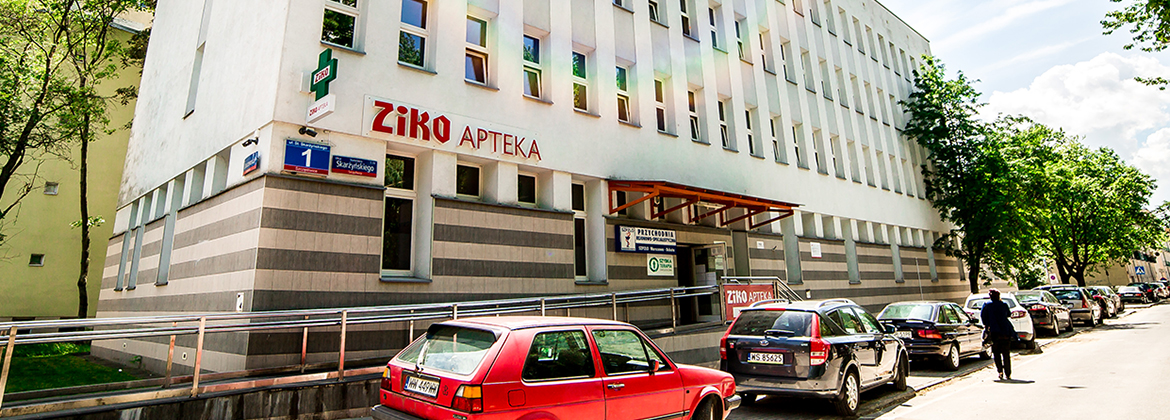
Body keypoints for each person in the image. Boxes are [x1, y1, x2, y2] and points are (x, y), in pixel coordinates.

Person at [980, 289, 1015, 380]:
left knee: (996, 353)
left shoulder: (987, 305)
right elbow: (1008, 314)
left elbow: (983, 317)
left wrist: (987, 325)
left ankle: (1000, 371)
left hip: (994, 332)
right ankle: (1008, 373)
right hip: (1005, 331)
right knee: (1006, 353)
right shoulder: (1003, 305)